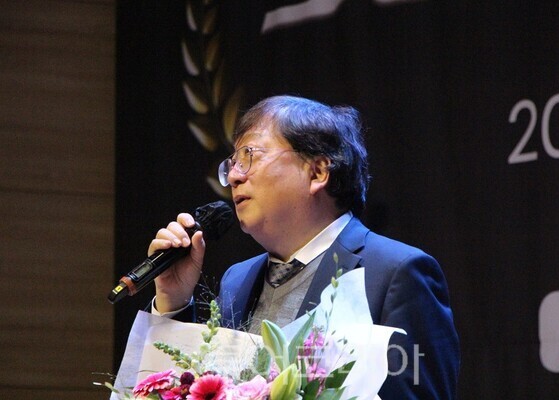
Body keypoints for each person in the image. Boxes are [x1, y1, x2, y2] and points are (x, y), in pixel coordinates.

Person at [147, 95, 460, 398]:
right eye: (232, 164)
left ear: (318, 172)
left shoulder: (395, 274)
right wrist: (173, 302)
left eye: (249, 157)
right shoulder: (236, 280)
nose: (234, 177)